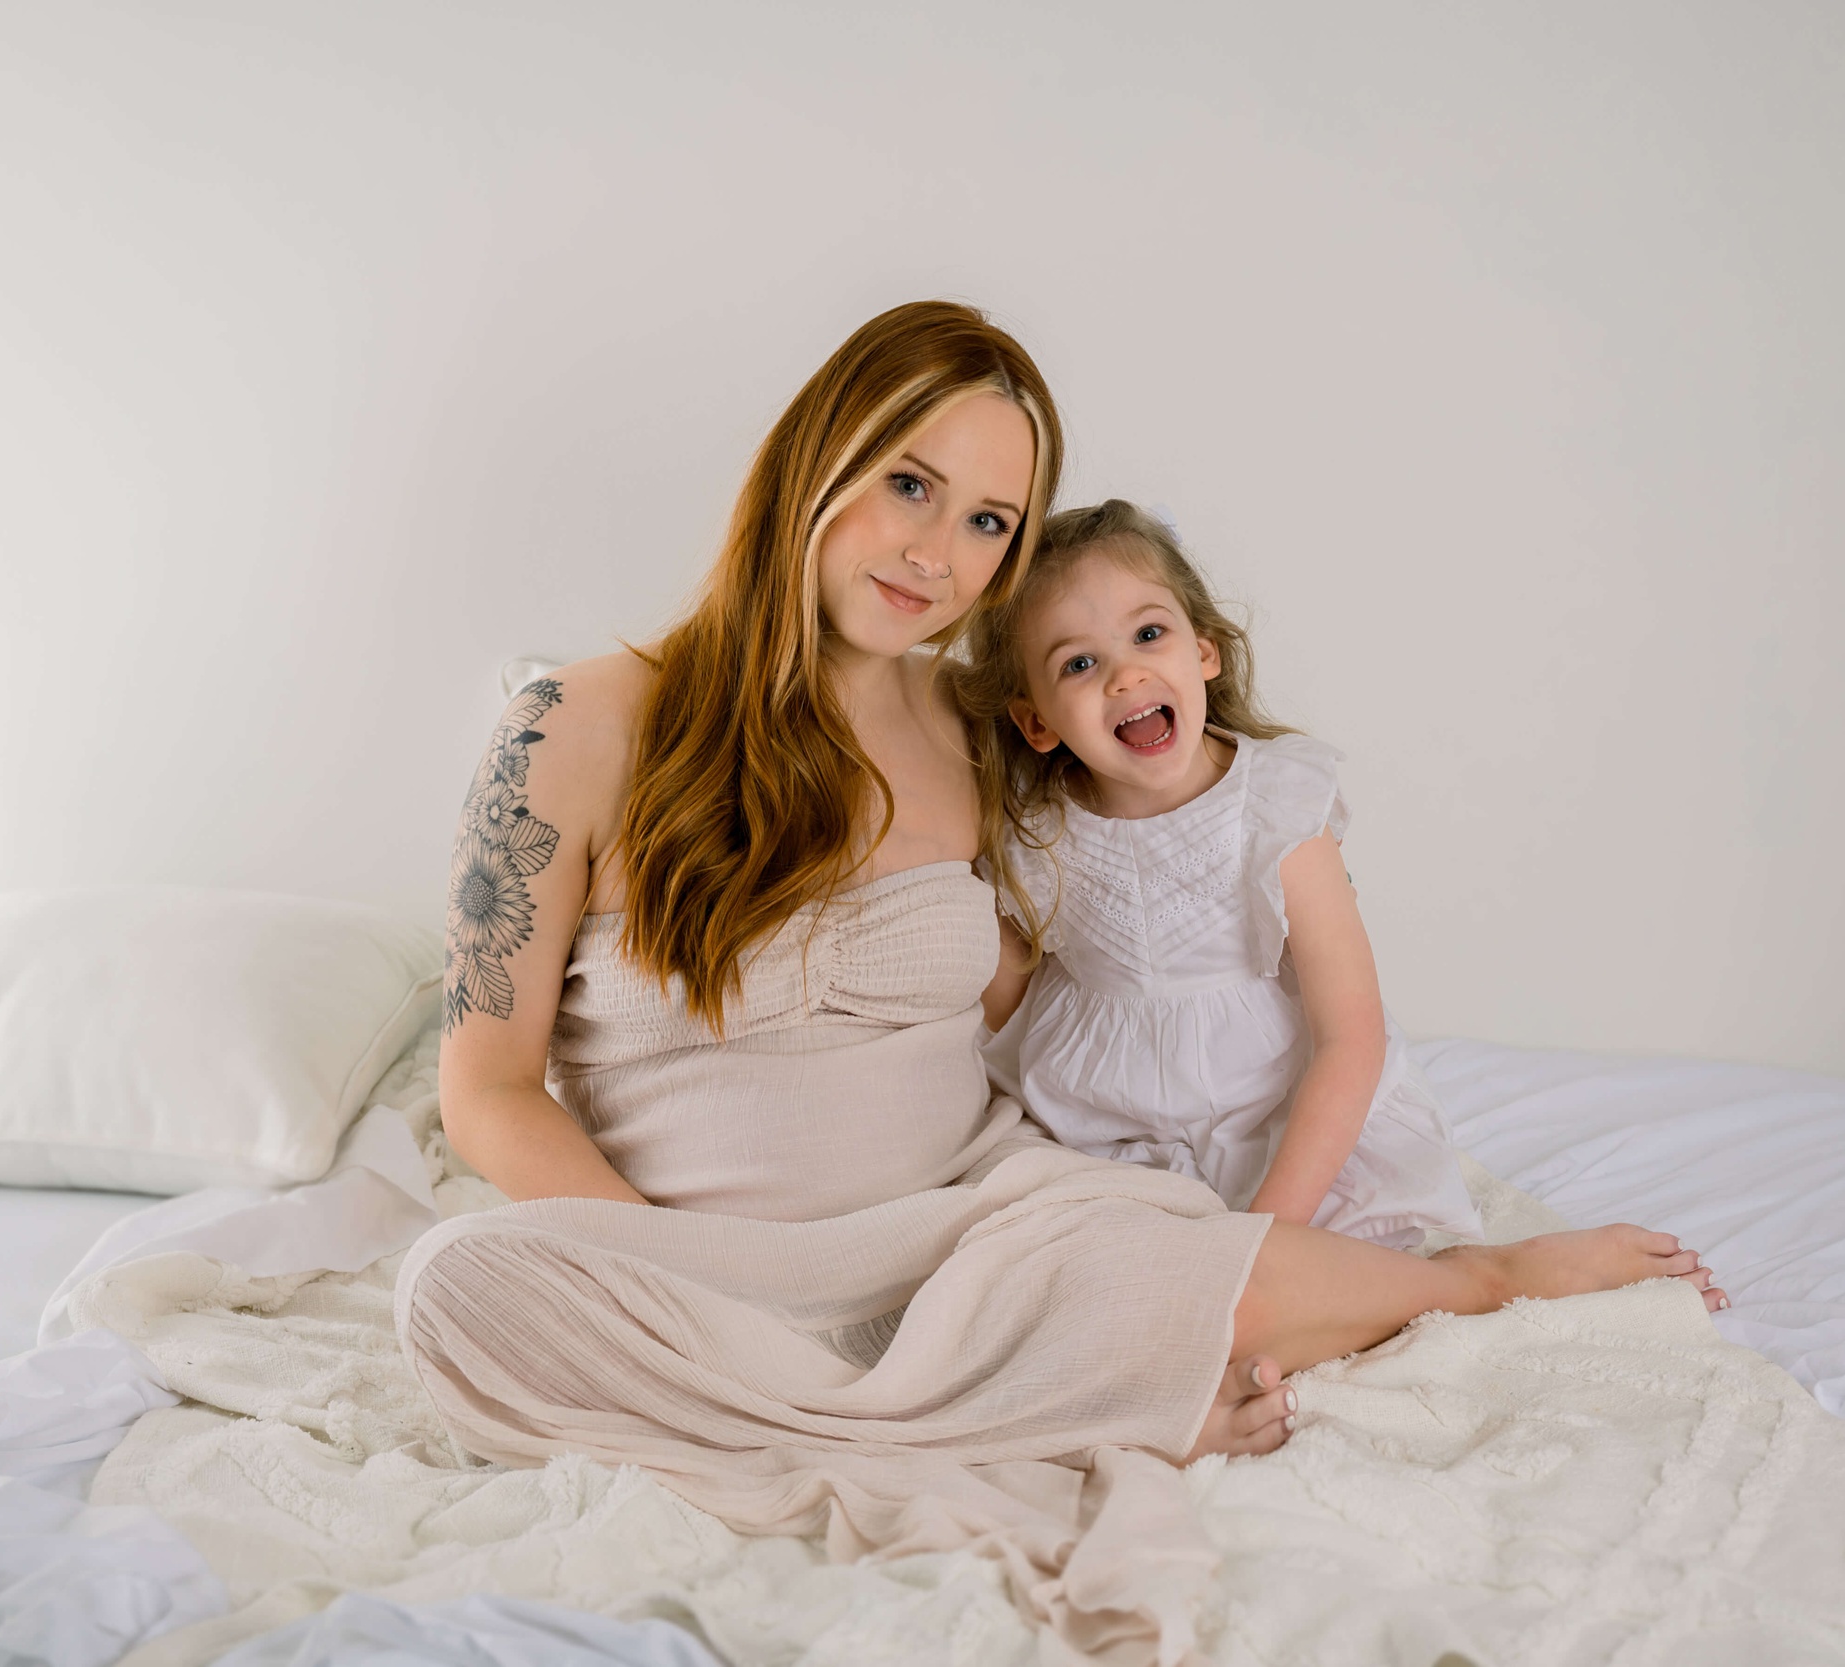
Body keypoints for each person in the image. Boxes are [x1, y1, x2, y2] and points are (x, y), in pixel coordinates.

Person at [397, 299, 1721, 1658]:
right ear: (817, 455)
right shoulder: (567, 718)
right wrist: (683, 1282)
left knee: (1158, 1254)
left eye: (989, 522)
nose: (938, 551)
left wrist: (1289, 976)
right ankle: (1037, 1411)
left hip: (976, 1243)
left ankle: (1485, 1276)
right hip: (693, 1271)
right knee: (451, 1285)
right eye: (912, 481)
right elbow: (489, 1087)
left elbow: (1171, 833)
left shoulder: (974, 733)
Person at [952, 499, 1489, 1253]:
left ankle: (1469, 1276)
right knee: (1063, 1268)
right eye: (1079, 663)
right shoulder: (1038, 835)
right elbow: (1008, 1003)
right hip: (1116, 1139)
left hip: (1285, 1131)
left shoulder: (1274, 805)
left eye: (1148, 634)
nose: (1125, 673)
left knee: (1342, 1261)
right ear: (1037, 722)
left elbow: (1352, 1037)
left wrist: (1260, 1241)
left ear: (1203, 651)